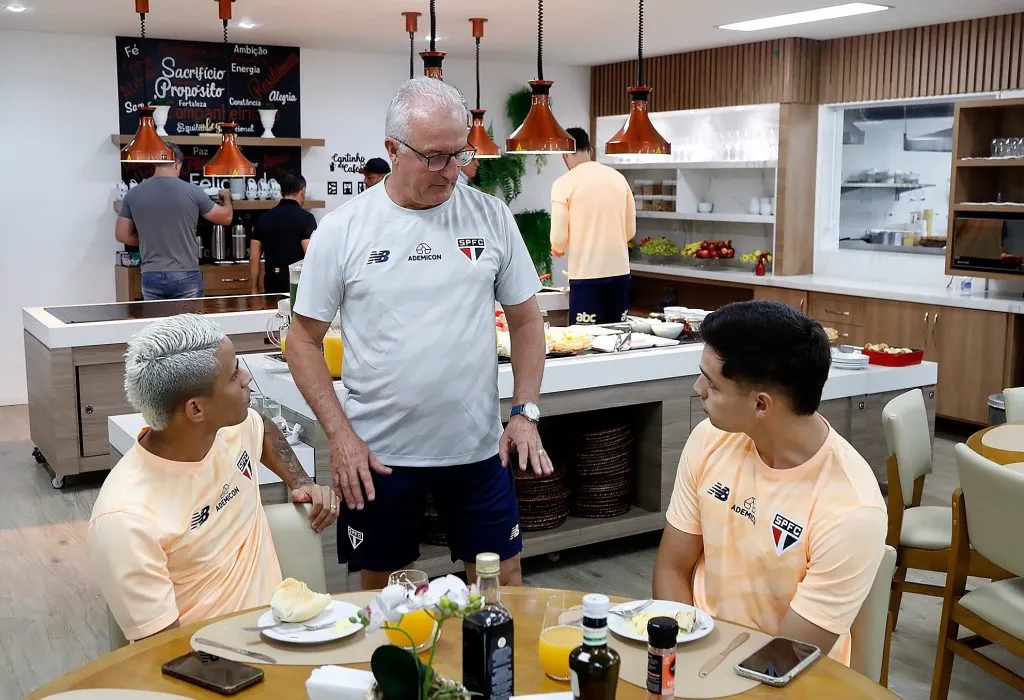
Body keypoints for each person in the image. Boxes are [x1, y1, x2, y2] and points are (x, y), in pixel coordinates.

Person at [287, 76, 551, 590]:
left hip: (477, 450)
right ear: (392, 149)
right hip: (378, 456)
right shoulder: (344, 230)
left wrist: (525, 411)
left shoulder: (490, 216)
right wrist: (340, 436)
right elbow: (301, 340)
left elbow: (525, 320)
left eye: (460, 153)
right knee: (385, 591)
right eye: (435, 157)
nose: (452, 171)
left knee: (503, 581)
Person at [652, 301, 886, 665]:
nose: (698, 388)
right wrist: (684, 657)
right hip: (694, 653)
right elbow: (671, 569)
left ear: (762, 405)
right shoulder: (710, 439)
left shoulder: (851, 509)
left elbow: (784, 658)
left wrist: (705, 674)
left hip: (783, 678)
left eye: (712, 384)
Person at [89, 314, 339, 642]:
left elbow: (261, 427)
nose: (247, 377)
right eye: (234, 375)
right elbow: (163, 652)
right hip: (211, 661)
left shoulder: (230, 430)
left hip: (282, 633)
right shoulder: (126, 519)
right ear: (195, 409)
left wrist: (301, 482)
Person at [115, 143, 234, 300]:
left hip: (151, 275)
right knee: (190, 317)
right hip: (186, 274)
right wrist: (227, 197)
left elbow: (122, 234)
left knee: (157, 318)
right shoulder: (192, 191)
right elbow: (226, 217)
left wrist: (148, 240)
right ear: (177, 163)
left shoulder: (133, 194)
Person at [550, 127, 636, 325]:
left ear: (565, 154)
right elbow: (630, 231)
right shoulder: (618, 178)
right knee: (618, 334)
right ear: (590, 149)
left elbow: (559, 238)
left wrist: (558, 248)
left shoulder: (564, 183)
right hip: (620, 273)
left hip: (586, 273)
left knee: (585, 338)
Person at [249, 171, 318, 295]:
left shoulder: (263, 218)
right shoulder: (306, 218)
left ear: (281, 192)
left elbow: (254, 257)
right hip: (297, 282)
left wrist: (254, 288)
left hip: (271, 281)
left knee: (273, 308)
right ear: (302, 191)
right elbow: (310, 253)